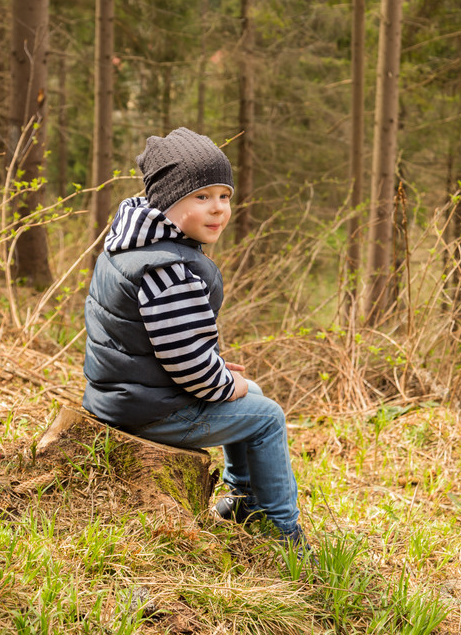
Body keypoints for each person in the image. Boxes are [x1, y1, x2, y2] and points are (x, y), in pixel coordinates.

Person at [83, 127, 308, 548]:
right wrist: (221, 381)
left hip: (127, 395)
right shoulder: (169, 270)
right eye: (201, 197)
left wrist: (218, 371)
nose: (218, 209)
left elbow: (161, 344)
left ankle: (244, 499)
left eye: (224, 196)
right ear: (167, 201)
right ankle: (284, 534)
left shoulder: (134, 244)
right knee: (267, 415)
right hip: (150, 412)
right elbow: (185, 361)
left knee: (250, 392)